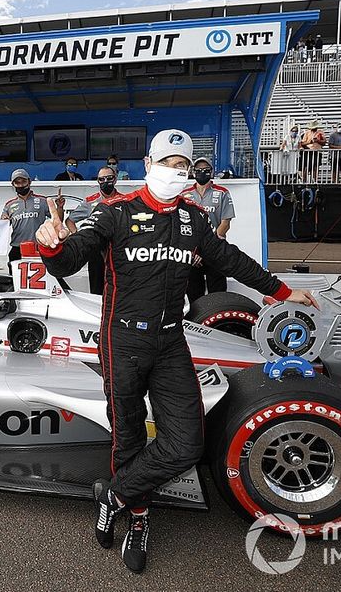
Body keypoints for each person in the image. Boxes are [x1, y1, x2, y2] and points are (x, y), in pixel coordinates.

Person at [33, 129, 316, 574]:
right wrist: (51, 242)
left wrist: (280, 291)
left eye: (183, 166)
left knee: (185, 443)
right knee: (126, 433)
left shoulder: (194, 218)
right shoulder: (115, 213)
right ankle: (139, 518)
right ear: (148, 165)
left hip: (169, 339)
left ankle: (116, 494)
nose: (177, 172)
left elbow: (229, 259)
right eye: (168, 164)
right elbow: (71, 258)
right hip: (121, 338)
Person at [182, 157, 235, 304]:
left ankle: (218, 322)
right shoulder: (184, 195)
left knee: (218, 292)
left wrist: (208, 249)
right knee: (193, 292)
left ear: (211, 172)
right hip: (193, 253)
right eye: (198, 170)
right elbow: (182, 227)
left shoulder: (222, 193)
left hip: (216, 249)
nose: (202, 173)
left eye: (206, 170)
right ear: (193, 172)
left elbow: (225, 224)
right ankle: (196, 323)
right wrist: (195, 251)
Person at [64, 166, 122, 295]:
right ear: (98, 181)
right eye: (102, 179)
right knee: (96, 290)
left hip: (118, 251)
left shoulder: (125, 200)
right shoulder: (90, 201)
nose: (105, 181)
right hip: (97, 252)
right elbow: (69, 221)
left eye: (109, 178)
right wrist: (79, 237)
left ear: (115, 179)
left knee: (118, 289)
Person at [1, 169, 52, 265]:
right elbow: (2, 226)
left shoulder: (42, 200)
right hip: (17, 248)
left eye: (23, 181)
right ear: (13, 185)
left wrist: (60, 208)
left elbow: (57, 219)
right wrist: (4, 220)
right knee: (15, 279)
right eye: (17, 182)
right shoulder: (9, 205)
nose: (20, 185)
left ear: (29, 182)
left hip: (39, 246)